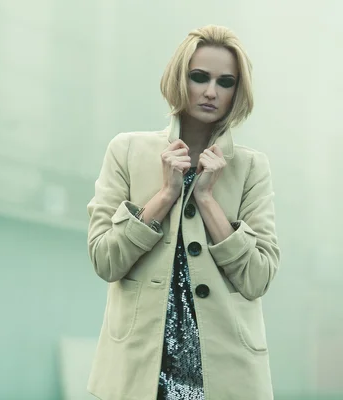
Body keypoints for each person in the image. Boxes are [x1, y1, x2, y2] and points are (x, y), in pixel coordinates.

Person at [86, 25, 280, 400]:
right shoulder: (126, 151)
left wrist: (207, 200)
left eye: (225, 82)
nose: (211, 91)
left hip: (225, 382)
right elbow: (104, 260)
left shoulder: (250, 168)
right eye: (199, 77)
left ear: (237, 92)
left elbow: (258, 278)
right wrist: (164, 196)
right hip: (138, 378)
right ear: (180, 78)